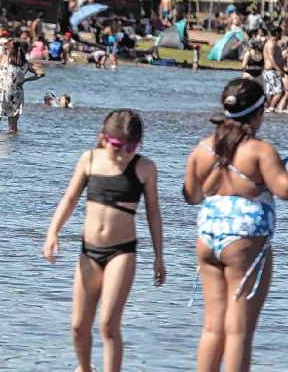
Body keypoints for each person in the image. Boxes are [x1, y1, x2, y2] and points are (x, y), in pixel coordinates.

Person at [43, 109, 165, 372]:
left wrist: (159, 256)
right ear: (103, 138)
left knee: (108, 324)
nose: (123, 154)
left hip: (122, 253)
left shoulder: (145, 168)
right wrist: (52, 232)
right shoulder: (89, 160)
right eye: (118, 146)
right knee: (78, 326)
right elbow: (70, 198)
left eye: (131, 147)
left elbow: (153, 212)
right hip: (89, 252)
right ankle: (85, 368)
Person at [182, 79, 288, 371]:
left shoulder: (202, 147)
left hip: (207, 238)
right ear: (259, 113)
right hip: (244, 243)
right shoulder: (260, 151)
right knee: (240, 331)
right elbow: (284, 190)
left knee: (213, 328)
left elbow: (191, 195)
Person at [0, 39, 44, 133]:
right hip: (16, 94)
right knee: (13, 127)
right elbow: (41, 73)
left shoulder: (4, 58)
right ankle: (12, 146)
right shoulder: (26, 64)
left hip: (0, 93)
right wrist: (25, 80)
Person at [263, 27, 286, 112]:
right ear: (276, 33)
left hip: (271, 71)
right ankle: (271, 108)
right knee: (280, 92)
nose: (281, 35)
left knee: (271, 92)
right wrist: (278, 69)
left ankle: (269, 108)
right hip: (272, 71)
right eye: (281, 33)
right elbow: (271, 57)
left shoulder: (273, 43)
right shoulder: (271, 43)